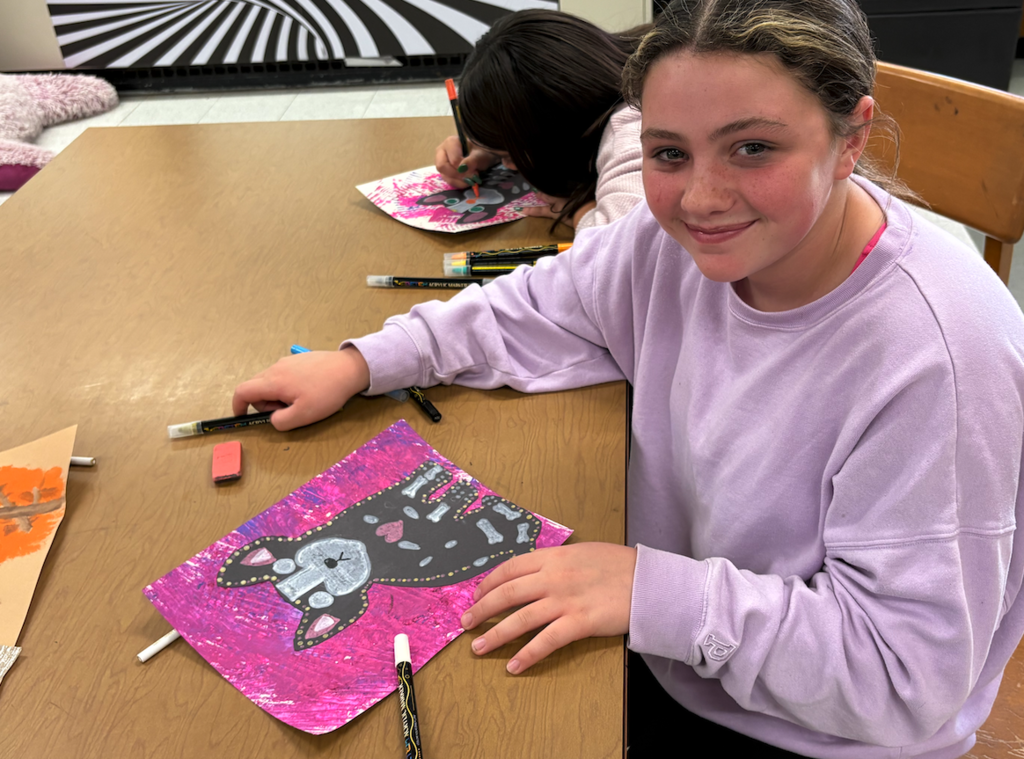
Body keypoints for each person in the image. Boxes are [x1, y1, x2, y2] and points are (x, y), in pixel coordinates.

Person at [232, 0, 1024, 756]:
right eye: (668, 152)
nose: (701, 198)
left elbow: (900, 676)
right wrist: (364, 362)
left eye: (753, 147)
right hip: (680, 646)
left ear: (851, 138)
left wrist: (654, 593)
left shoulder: (938, 357)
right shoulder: (667, 242)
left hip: (815, 730)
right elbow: (537, 302)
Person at [433, 9, 647, 232]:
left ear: (557, 132)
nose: (508, 166)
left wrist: (578, 212)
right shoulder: (632, 61)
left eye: (509, 157)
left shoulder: (631, 128)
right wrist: (489, 148)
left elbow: (620, 242)